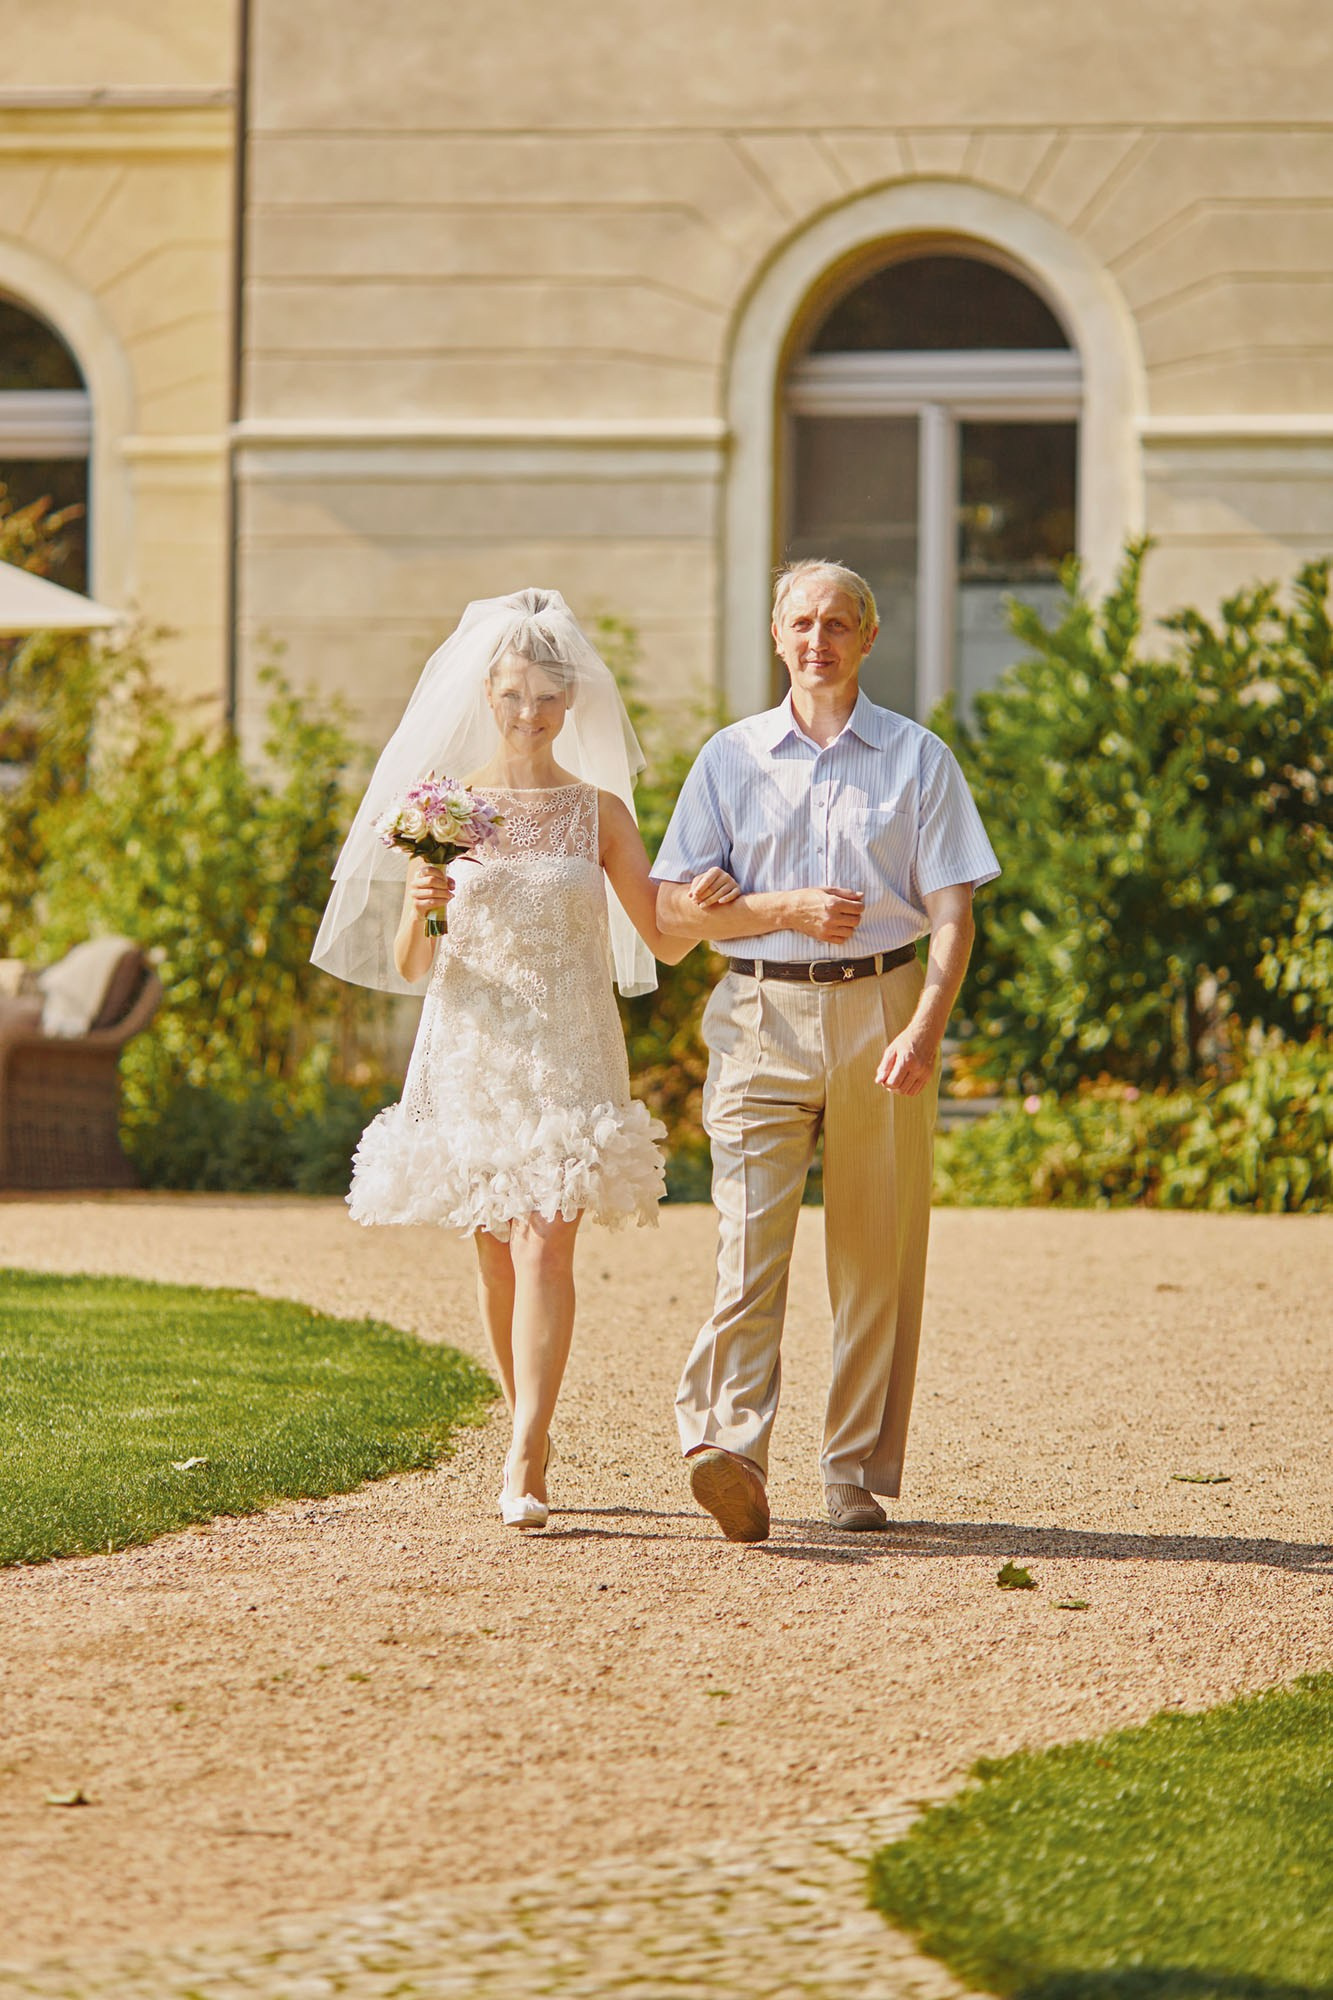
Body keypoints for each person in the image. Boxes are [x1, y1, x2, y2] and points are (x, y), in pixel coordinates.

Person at [312, 590, 734, 1531]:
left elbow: (661, 942)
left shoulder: (600, 812)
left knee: (548, 1240)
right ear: (486, 693)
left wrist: (706, 904)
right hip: (474, 1047)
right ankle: (523, 1425)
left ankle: (527, 1447)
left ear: (572, 700)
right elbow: (413, 964)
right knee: (498, 1256)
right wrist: (425, 895)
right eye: (512, 695)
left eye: (547, 696)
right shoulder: (445, 810)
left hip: (571, 1046)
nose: (529, 713)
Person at [653, 559, 1000, 1542]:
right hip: (759, 1014)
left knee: (873, 1256)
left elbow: (953, 909)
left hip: (883, 1014)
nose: (819, 639)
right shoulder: (727, 759)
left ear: (869, 636)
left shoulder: (917, 758)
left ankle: (853, 1472)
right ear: (776, 634)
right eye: (802, 621)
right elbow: (672, 915)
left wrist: (926, 1025)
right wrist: (743, 904)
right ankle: (725, 1446)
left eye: (838, 622)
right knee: (745, 1241)